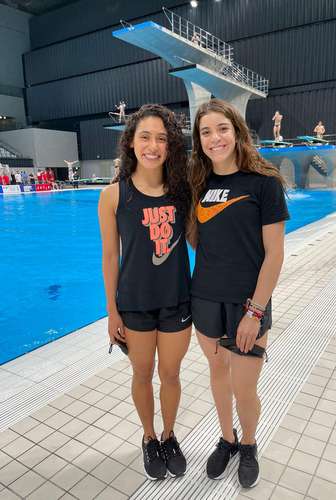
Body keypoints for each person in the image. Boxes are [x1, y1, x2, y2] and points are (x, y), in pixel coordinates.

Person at [188, 99, 289, 488]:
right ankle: (226, 439)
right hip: (206, 300)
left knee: (245, 387)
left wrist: (254, 311)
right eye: (206, 132)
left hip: (248, 304)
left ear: (236, 131)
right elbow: (200, 242)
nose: (215, 138)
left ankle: (248, 444)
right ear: (199, 141)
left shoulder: (264, 183)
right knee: (217, 373)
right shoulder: (198, 185)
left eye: (222, 129)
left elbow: (275, 254)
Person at [98, 104, 192, 481]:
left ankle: (169, 435)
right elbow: (109, 256)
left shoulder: (183, 191)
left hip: (176, 301)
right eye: (145, 137)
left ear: (170, 146)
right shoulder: (113, 196)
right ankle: (149, 437)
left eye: (162, 139)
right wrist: (112, 311)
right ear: (131, 142)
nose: (153, 146)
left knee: (170, 374)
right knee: (142, 373)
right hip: (134, 305)